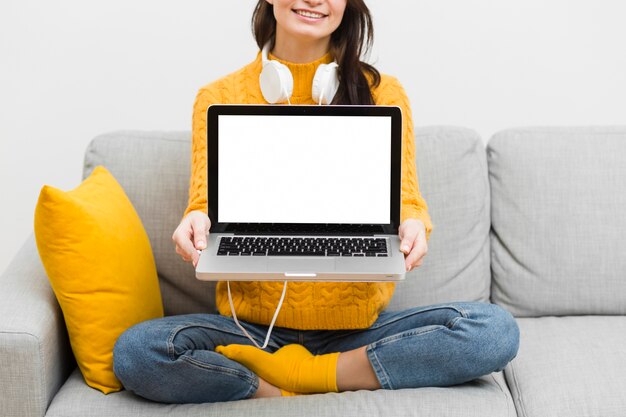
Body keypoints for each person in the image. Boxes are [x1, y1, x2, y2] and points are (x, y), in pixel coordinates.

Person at [113, 0, 519, 403]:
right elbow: (204, 203)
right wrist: (196, 221)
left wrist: (413, 223)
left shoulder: (383, 91)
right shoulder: (217, 95)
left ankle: (305, 376)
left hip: (357, 334)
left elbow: (406, 200)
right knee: (138, 352)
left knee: (494, 331)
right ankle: (276, 386)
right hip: (252, 331)